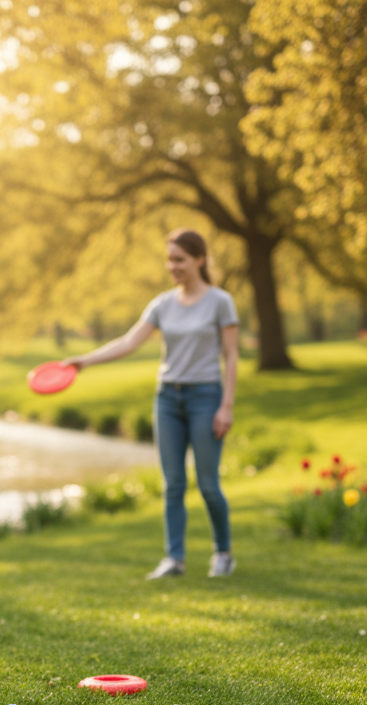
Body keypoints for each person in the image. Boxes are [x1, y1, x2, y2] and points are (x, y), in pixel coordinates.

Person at [62, 228, 239, 579]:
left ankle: (223, 553)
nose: (172, 266)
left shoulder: (220, 301)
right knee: (172, 484)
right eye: (169, 258)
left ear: (199, 259)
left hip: (206, 396)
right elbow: (128, 342)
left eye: (180, 259)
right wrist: (85, 361)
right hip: (168, 399)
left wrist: (227, 406)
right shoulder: (162, 304)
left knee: (208, 484)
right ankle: (174, 559)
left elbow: (232, 356)